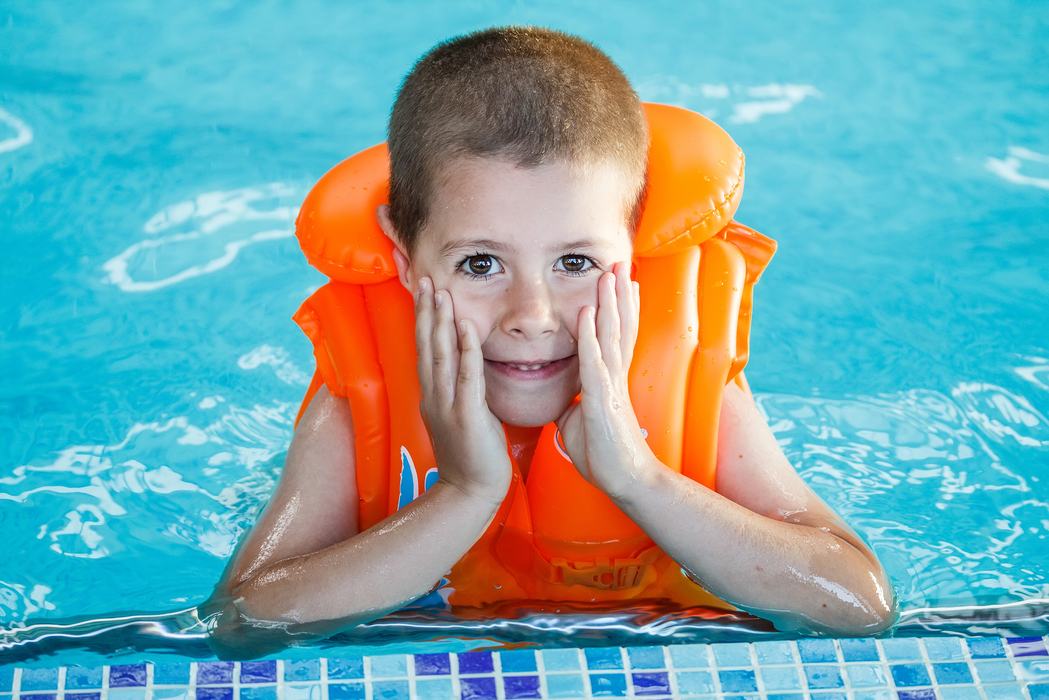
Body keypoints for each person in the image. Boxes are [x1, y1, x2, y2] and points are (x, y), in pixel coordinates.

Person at [202, 26, 897, 656]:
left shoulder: (694, 402)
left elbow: (858, 607)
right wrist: (464, 495)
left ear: (630, 252)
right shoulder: (356, 408)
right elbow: (241, 621)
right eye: (480, 264)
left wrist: (638, 477)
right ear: (407, 260)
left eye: (576, 263)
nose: (530, 316)